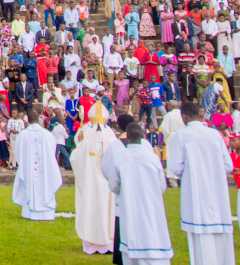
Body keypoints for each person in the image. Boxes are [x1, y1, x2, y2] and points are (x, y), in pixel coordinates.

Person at [167, 102, 234, 265]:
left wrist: (194, 171)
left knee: (200, 242)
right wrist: (212, 170)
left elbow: (176, 167)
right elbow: (228, 166)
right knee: (220, 237)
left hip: (196, 192)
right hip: (217, 193)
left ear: (184, 117)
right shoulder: (215, 134)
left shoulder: (181, 136)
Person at [104, 122, 174, 265]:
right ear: (142, 136)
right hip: (151, 205)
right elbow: (162, 186)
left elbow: (114, 185)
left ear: (127, 137)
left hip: (129, 204)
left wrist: (127, 192)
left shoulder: (121, 158)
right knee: (153, 232)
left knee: (131, 237)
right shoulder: (153, 158)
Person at [72, 108, 117, 254]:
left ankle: (91, 245)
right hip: (108, 184)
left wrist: (79, 144)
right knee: (107, 210)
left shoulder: (86, 140)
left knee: (91, 207)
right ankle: (108, 243)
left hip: (91, 182)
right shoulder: (111, 138)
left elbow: (75, 159)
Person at [12, 109, 62, 221]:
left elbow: (18, 152)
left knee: (30, 186)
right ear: (38, 120)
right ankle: (47, 212)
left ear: (27, 121)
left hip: (29, 168)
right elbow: (52, 152)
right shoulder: (48, 135)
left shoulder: (22, 135)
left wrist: (24, 163)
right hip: (44, 168)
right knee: (45, 184)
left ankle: (29, 212)